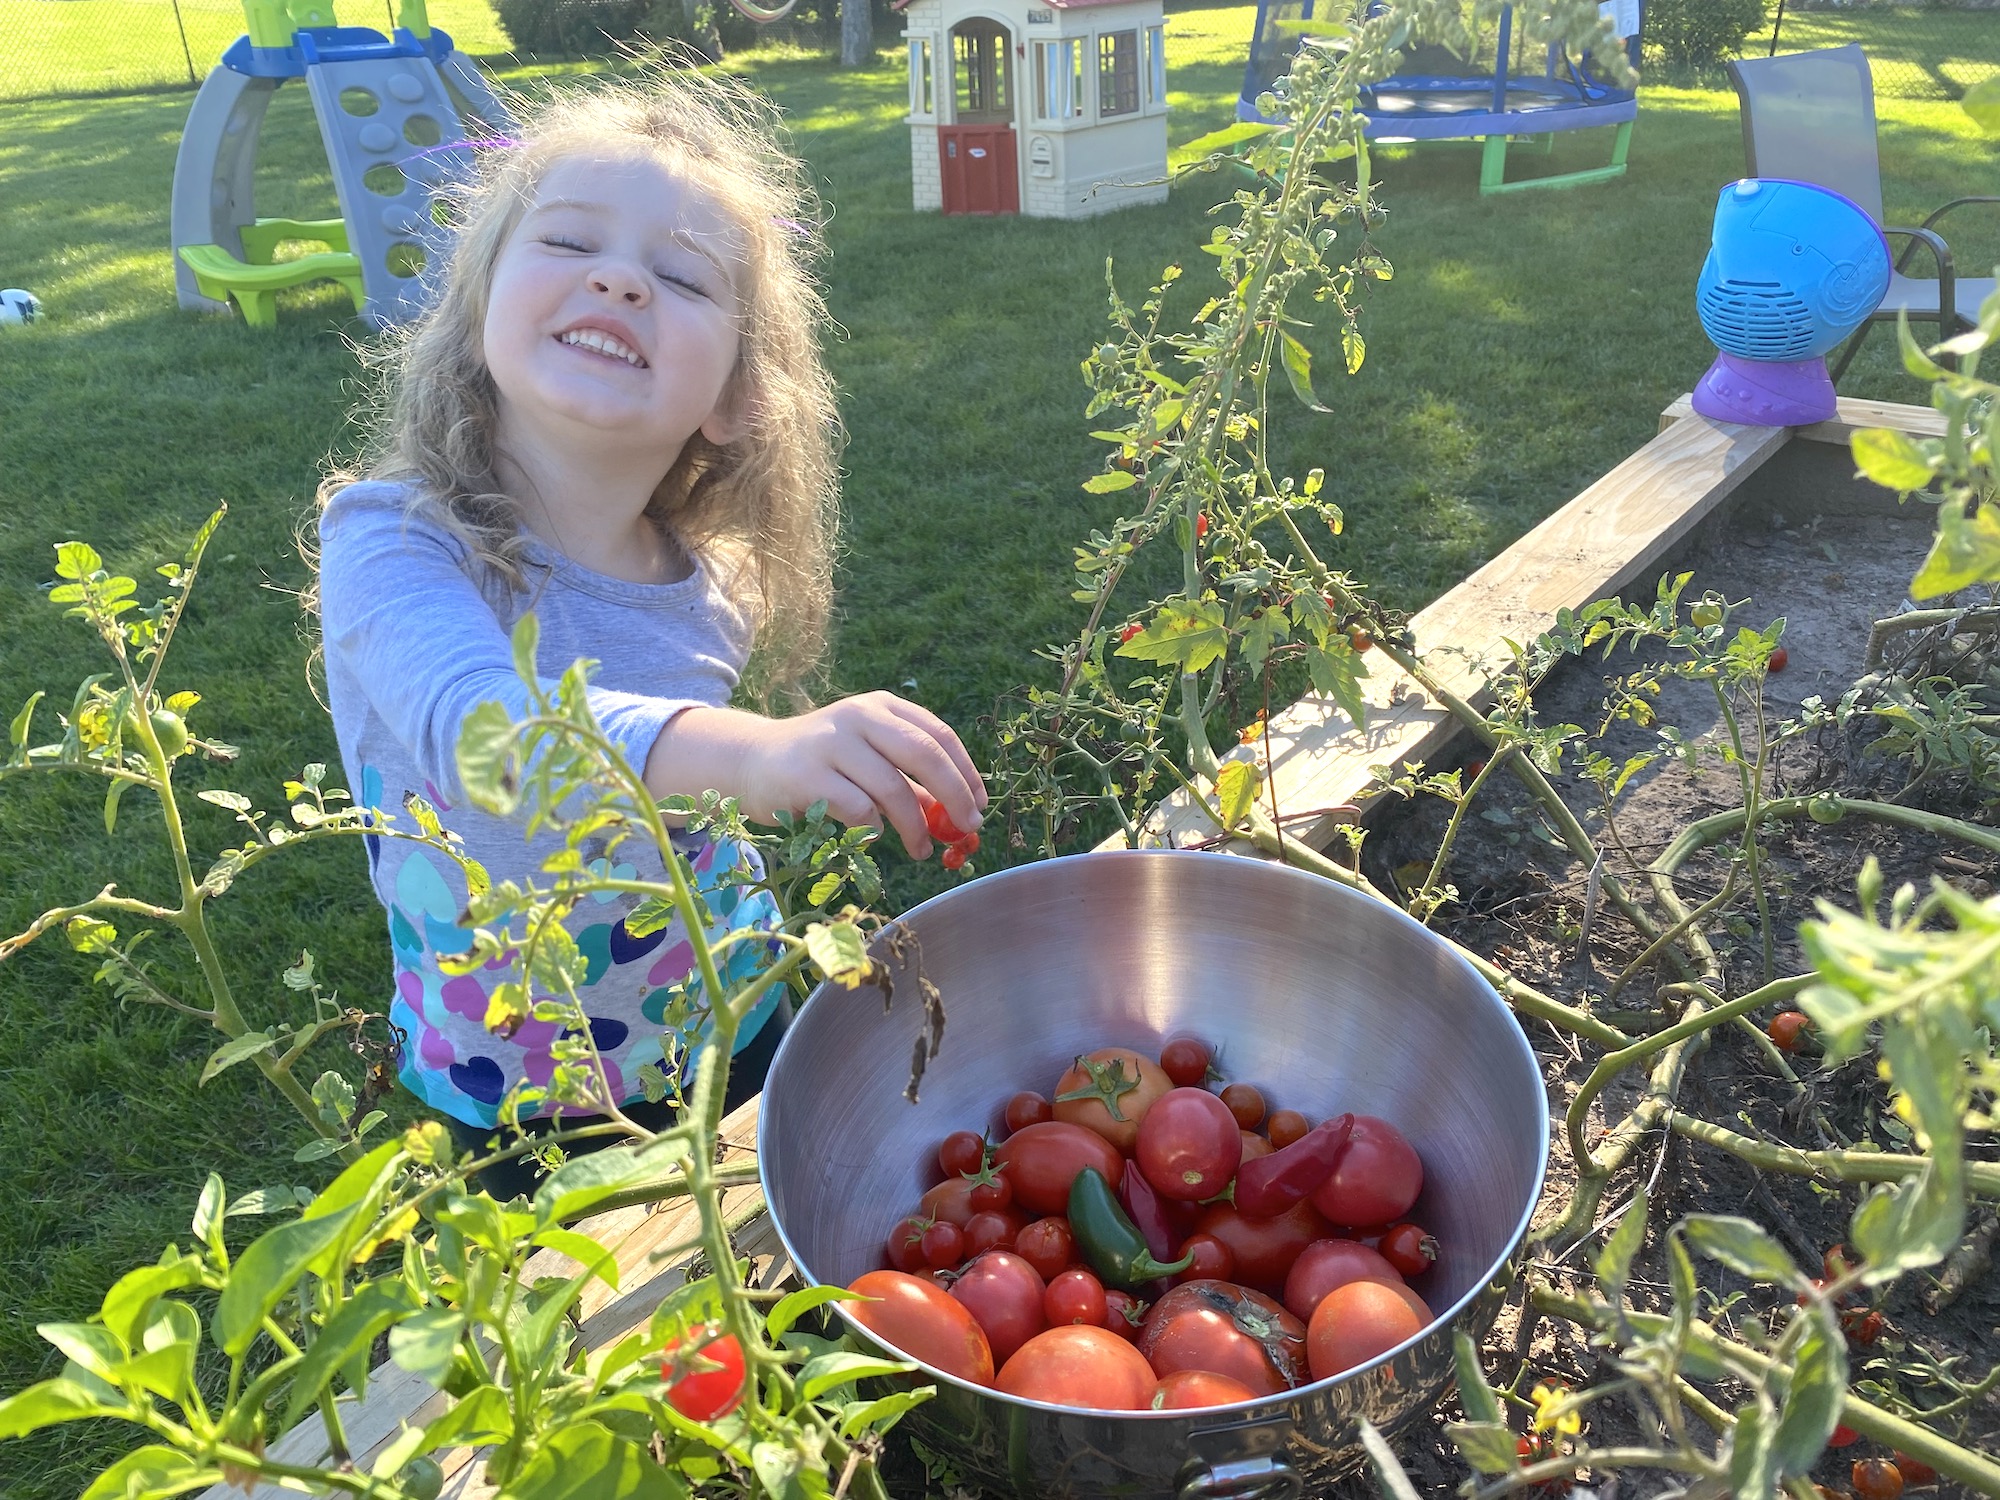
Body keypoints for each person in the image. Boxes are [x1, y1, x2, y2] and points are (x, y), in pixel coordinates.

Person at [314, 69, 987, 1198]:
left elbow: (687, 801)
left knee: (769, 1307)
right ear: (478, 308)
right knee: (577, 1351)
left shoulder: (711, 581)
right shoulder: (391, 541)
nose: (620, 279)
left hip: (737, 1016)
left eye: (679, 277)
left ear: (734, 398)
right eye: (570, 244)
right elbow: (490, 746)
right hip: (519, 1088)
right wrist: (764, 751)